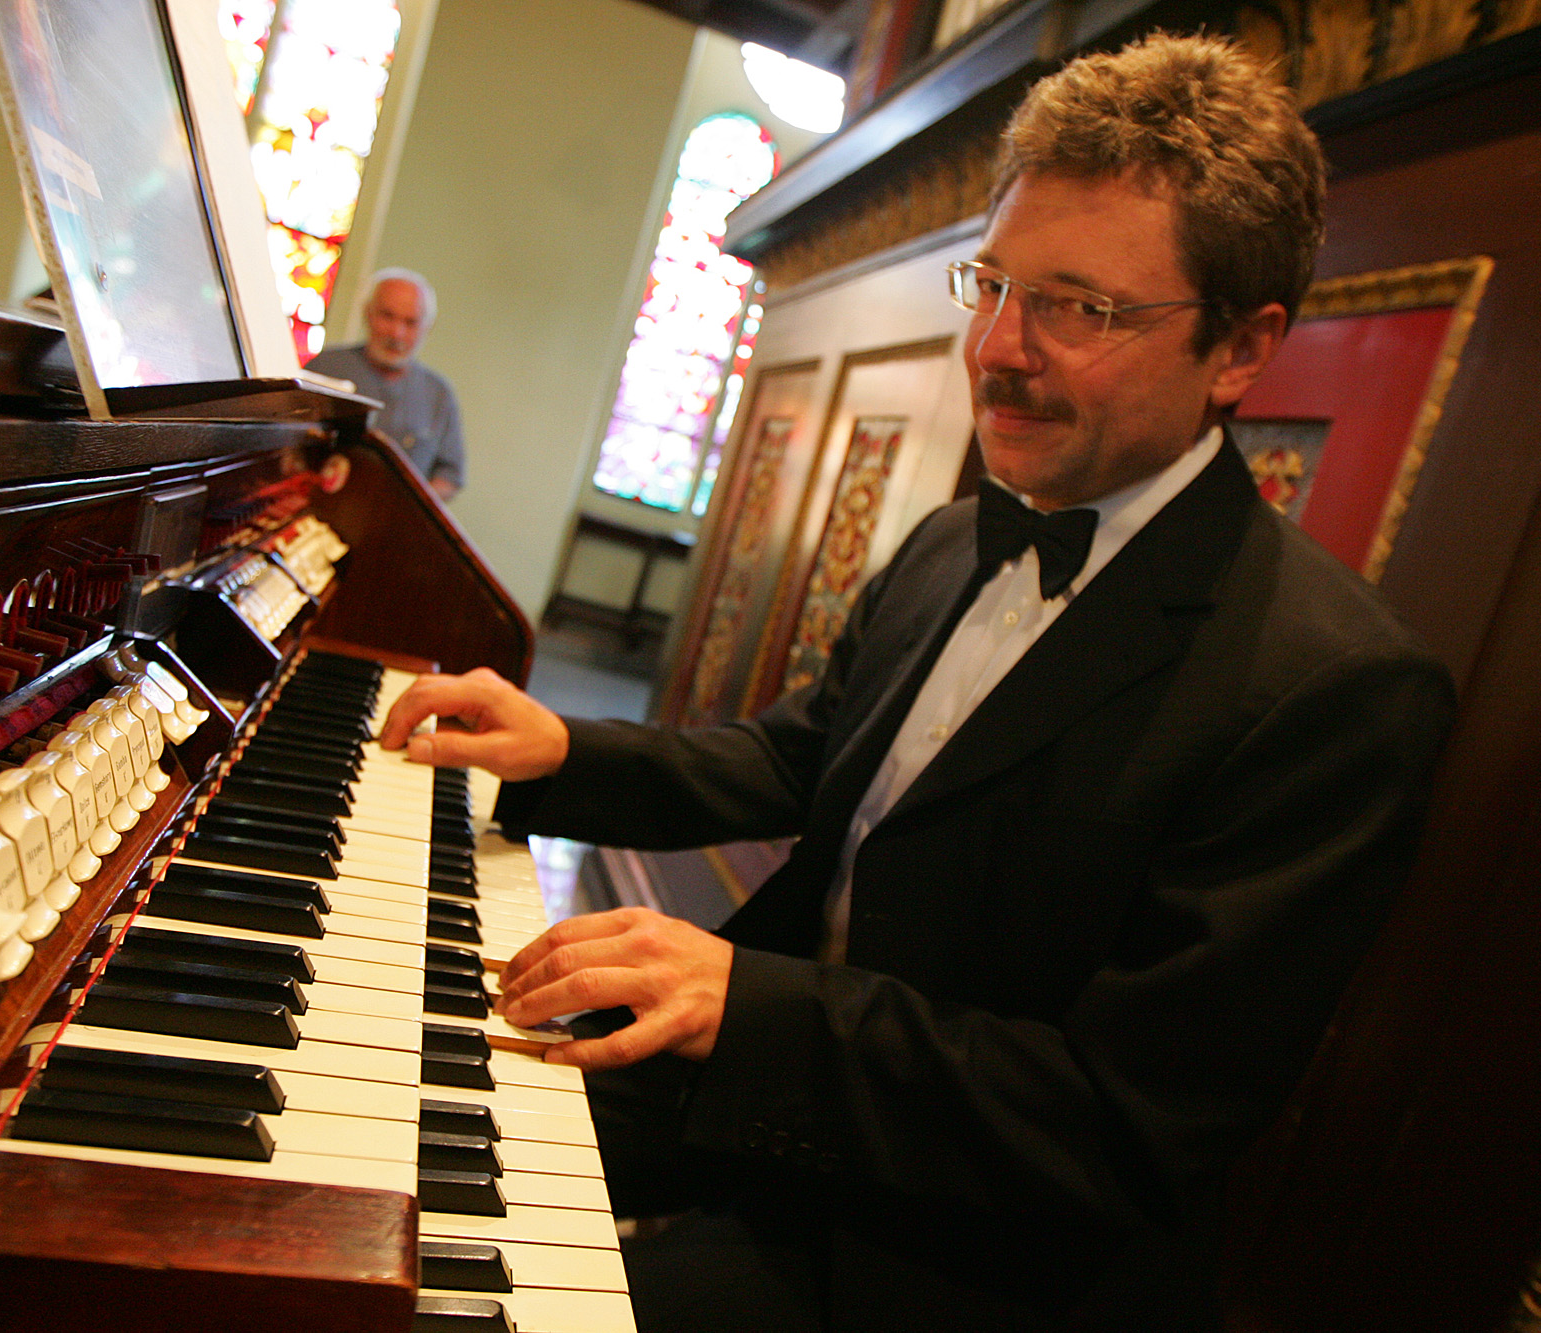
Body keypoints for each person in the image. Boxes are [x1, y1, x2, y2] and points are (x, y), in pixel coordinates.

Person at [380, 33, 1454, 1331]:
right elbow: (802, 757)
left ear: (1238, 348)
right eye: (992, 285)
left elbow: (1121, 1123)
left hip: (967, 1254)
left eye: (1079, 308)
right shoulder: (958, 535)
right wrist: (564, 750)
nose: (996, 348)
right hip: (781, 1105)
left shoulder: (1336, 691)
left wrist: (752, 1006)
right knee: (383, 1114)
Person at [305, 267, 465, 499]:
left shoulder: (439, 394)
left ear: (426, 328)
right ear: (367, 313)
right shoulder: (325, 368)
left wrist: (406, 502)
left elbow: (450, 476)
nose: (397, 333)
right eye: (387, 316)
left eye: (410, 322)